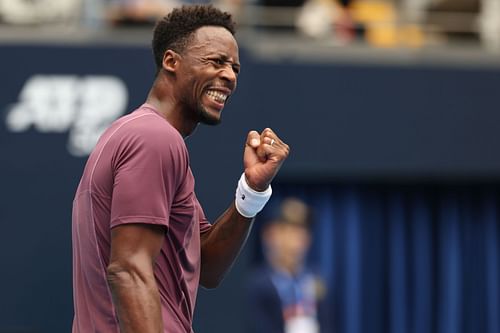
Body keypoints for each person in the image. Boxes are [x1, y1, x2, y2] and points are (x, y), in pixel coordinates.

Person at [71, 5, 289, 333]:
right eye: (216, 61)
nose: (230, 75)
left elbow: (209, 266)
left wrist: (252, 191)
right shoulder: (154, 138)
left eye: (235, 68)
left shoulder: (141, 135)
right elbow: (129, 269)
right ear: (171, 62)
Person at [246, 198, 331, 333]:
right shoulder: (256, 285)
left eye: (302, 233)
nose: (296, 242)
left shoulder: (317, 281)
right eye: (288, 232)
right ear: (269, 235)